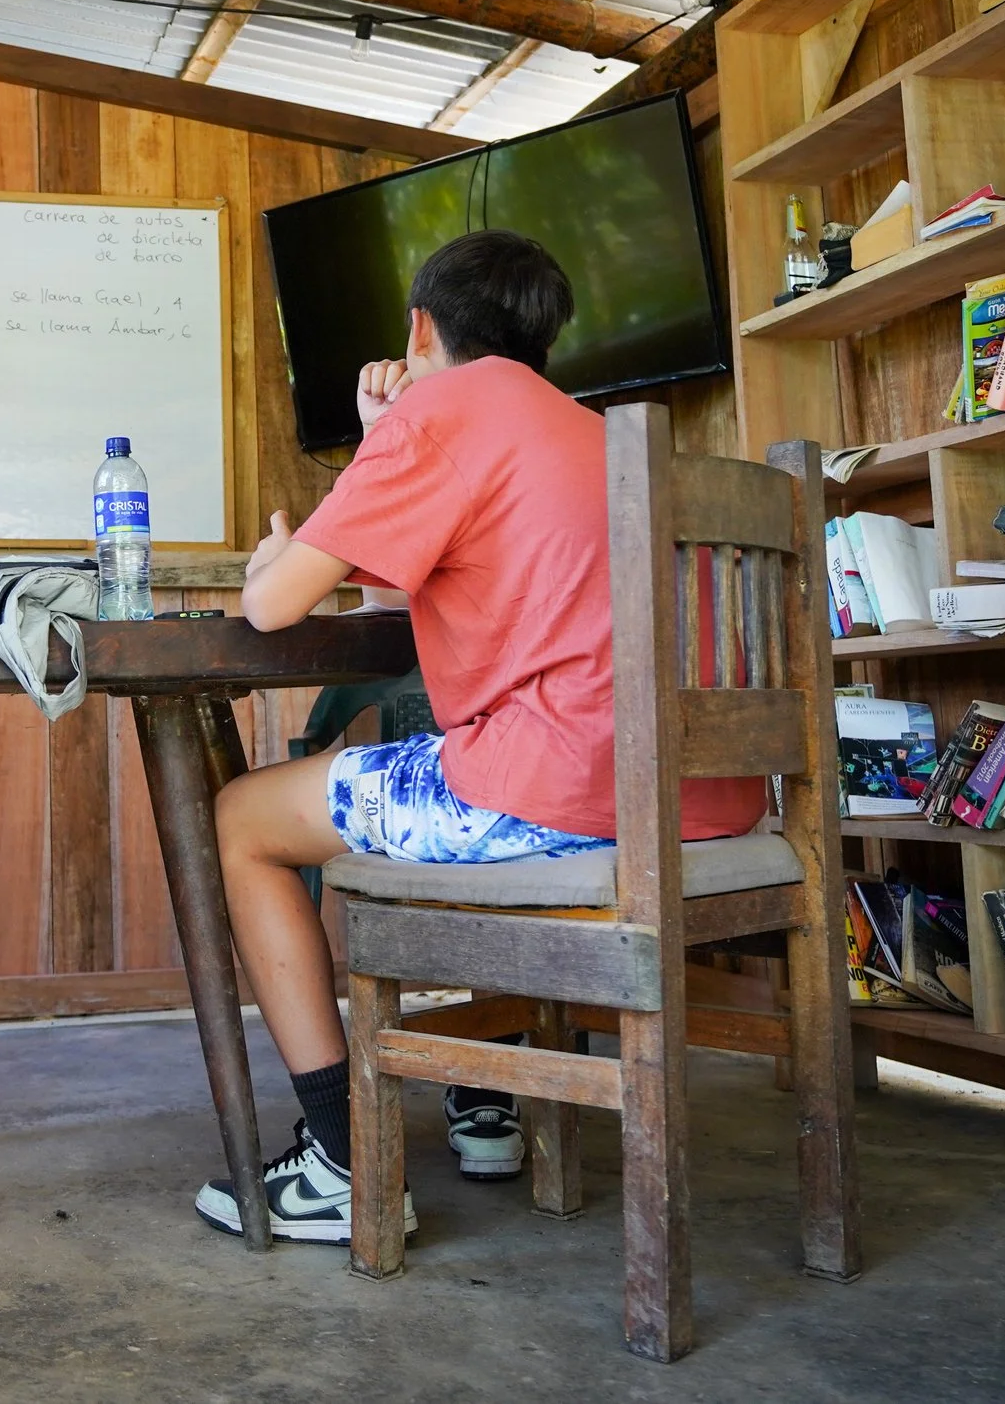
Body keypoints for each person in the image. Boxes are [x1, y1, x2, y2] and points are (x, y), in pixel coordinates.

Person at [190, 229, 767, 1242]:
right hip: (700, 798)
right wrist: (387, 441)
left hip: (551, 794)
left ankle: (340, 1157)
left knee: (241, 816)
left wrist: (281, 545)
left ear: (420, 328)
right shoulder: (595, 432)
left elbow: (275, 605)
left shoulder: (442, 413)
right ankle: (484, 1096)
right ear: (544, 337)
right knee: (457, 760)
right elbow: (407, 580)